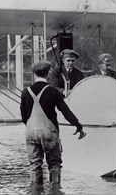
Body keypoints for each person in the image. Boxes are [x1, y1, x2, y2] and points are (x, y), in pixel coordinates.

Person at [20, 60, 86, 192]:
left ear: (35, 74)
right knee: (54, 164)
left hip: (31, 132)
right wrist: (78, 126)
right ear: (48, 73)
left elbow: (24, 116)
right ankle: (55, 190)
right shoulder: (53, 92)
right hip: (50, 132)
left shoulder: (25, 92)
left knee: (34, 164)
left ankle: (35, 191)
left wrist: (33, 127)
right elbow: (66, 112)